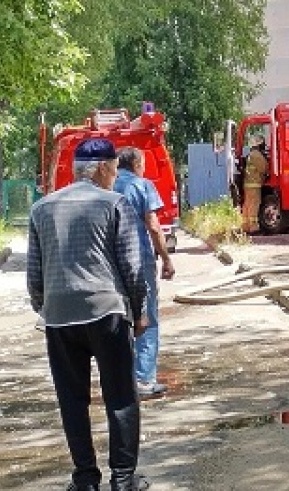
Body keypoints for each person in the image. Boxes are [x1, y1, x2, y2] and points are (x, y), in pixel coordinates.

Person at [27, 138, 150, 491]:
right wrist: (139, 311)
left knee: (71, 398)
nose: (114, 177)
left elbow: (35, 275)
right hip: (107, 313)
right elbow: (131, 265)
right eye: (112, 170)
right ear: (100, 169)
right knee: (122, 396)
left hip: (60, 317)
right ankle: (123, 480)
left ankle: (85, 479)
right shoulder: (115, 204)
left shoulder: (42, 209)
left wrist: (44, 308)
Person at [114, 147, 175, 399]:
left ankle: (120, 381)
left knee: (118, 320)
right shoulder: (142, 186)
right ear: (137, 164)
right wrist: (166, 259)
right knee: (146, 318)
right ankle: (143, 381)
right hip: (139, 262)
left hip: (111, 264)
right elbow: (153, 225)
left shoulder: (106, 186)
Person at [242, 134, 269, 234]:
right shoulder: (257, 155)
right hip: (254, 185)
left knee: (247, 205)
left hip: (248, 184)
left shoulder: (250, 154)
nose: (264, 146)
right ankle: (253, 228)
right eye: (263, 144)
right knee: (254, 204)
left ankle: (245, 226)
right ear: (259, 145)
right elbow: (264, 168)